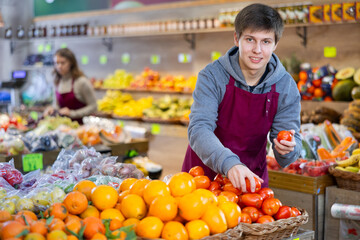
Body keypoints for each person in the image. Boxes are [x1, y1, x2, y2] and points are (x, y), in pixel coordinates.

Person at [182, 3, 302, 193]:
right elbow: (199, 129)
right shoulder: (212, 76)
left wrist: (288, 150)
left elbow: (287, 154)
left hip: (251, 183)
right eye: (250, 40)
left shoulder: (286, 87)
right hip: (202, 180)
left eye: (266, 42)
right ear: (237, 38)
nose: (257, 50)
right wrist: (229, 164)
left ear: (275, 44)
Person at [44, 48, 97, 124]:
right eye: (56, 63)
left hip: (83, 127)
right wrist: (51, 109)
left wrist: (72, 113)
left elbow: (94, 106)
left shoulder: (81, 82)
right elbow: (57, 105)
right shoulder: (57, 81)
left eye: (63, 63)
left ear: (71, 63)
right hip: (64, 127)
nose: (59, 66)